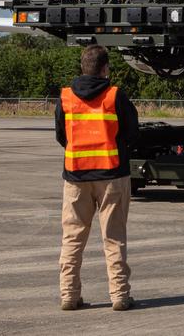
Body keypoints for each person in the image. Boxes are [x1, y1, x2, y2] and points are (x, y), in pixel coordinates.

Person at [54, 45, 139, 312]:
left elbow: (61, 136)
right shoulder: (115, 95)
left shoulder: (66, 97)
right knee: (113, 238)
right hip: (112, 175)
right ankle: (119, 296)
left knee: (72, 238)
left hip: (76, 176)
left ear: (82, 67)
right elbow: (131, 132)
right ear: (105, 69)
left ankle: (68, 295)